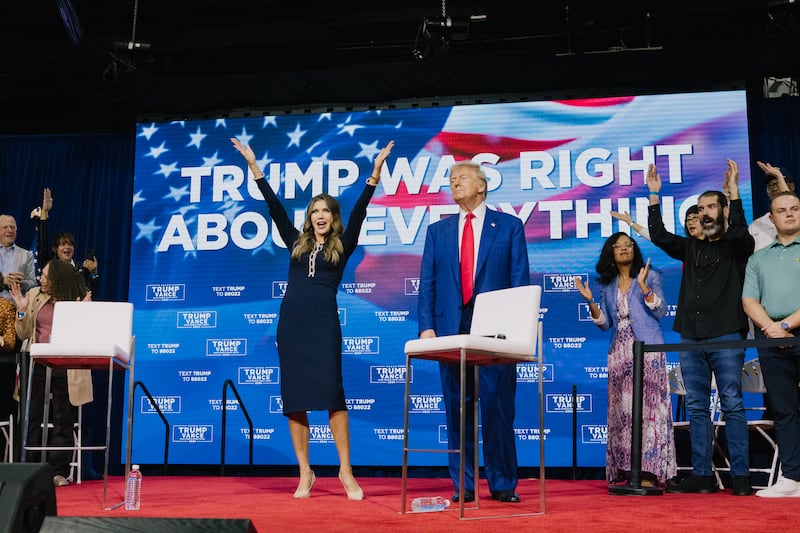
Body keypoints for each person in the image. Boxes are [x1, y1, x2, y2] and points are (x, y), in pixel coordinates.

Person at [231, 136, 395, 500]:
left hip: (323, 326)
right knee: (295, 399)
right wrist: (254, 168)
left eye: (326, 211)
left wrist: (374, 174)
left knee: (333, 396)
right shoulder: (295, 242)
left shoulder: (344, 245)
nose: (320, 215)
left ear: (333, 218)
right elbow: (274, 207)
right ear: (309, 218)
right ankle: (305, 472)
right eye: (314, 211)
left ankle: (346, 470)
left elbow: (360, 212)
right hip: (291, 326)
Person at [418, 161, 530, 504]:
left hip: (497, 331)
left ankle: (502, 483)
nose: (455, 183)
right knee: (458, 410)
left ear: (482, 186)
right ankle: (464, 485)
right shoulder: (438, 231)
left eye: (462, 178)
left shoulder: (509, 226)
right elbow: (427, 283)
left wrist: (516, 328)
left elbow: (519, 280)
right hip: (451, 330)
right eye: (452, 180)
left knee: (498, 407)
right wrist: (426, 327)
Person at [647, 159, 755, 496]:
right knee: (695, 405)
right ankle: (702, 475)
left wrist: (733, 192)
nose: (705, 212)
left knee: (732, 403)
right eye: (701, 207)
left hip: (727, 334)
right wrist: (654, 196)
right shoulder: (691, 245)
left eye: (711, 206)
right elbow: (659, 236)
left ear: (723, 211)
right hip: (691, 335)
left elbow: (741, 233)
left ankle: (741, 476)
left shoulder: (736, 245)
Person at [574, 233, 677, 487]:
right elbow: (605, 323)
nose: (623, 249)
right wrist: (589, 301)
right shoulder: (608, 285)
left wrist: (644, 287)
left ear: (634, 250)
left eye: (628, 245)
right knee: (623, 412)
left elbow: (662, 311)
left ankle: (649, 472)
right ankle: (627, 470)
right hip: (619, 353)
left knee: (649, 410)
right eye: (618, 246)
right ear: (610, 253)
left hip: (647, 350)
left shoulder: (650, 276)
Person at [11, 259, 92, 487]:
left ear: (59, 278)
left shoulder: (78, 298)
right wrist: (21, 310)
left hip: (66, 365)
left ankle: (58, 471)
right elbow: (22, 333)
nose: (42, 279)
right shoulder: (34, 294)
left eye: (46, 276)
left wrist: (85, 313)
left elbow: (86, 334)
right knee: (31, 417)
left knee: (62, 419)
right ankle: (28, 469)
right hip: (37, 363)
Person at [741, 191, 800, 497]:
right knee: (784, 409)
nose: (789, 214)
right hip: (770, 337)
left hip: (791, 330)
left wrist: (786, 325)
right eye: (782, 210)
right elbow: (749, 299)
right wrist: (771, 328)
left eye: (795, 208)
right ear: (772, 218)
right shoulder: (758, 258)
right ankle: (792, 478)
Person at [36, 188, 100, 295]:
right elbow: (42, 244)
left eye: (70, 244)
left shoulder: (81, 268)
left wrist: (94, 273)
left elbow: (91, 292)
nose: (67, 247)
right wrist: (44, 212)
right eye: (63, 244)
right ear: (55, 249)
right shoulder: (50, 266)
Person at [749, 161, 794, 252]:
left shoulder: (796, 218)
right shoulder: (756, 226)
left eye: (778, 183)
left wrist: (779, 176)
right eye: (770, 185)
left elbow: (789, 203)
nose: (774, 188)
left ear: (792, 186)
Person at [0, 214, 36, 303]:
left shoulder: (26, 255)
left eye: (13, 227)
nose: (10, 230)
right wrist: (2, 280)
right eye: (5, 227)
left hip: (17, 306)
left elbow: (33, 283)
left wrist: (20, 283)